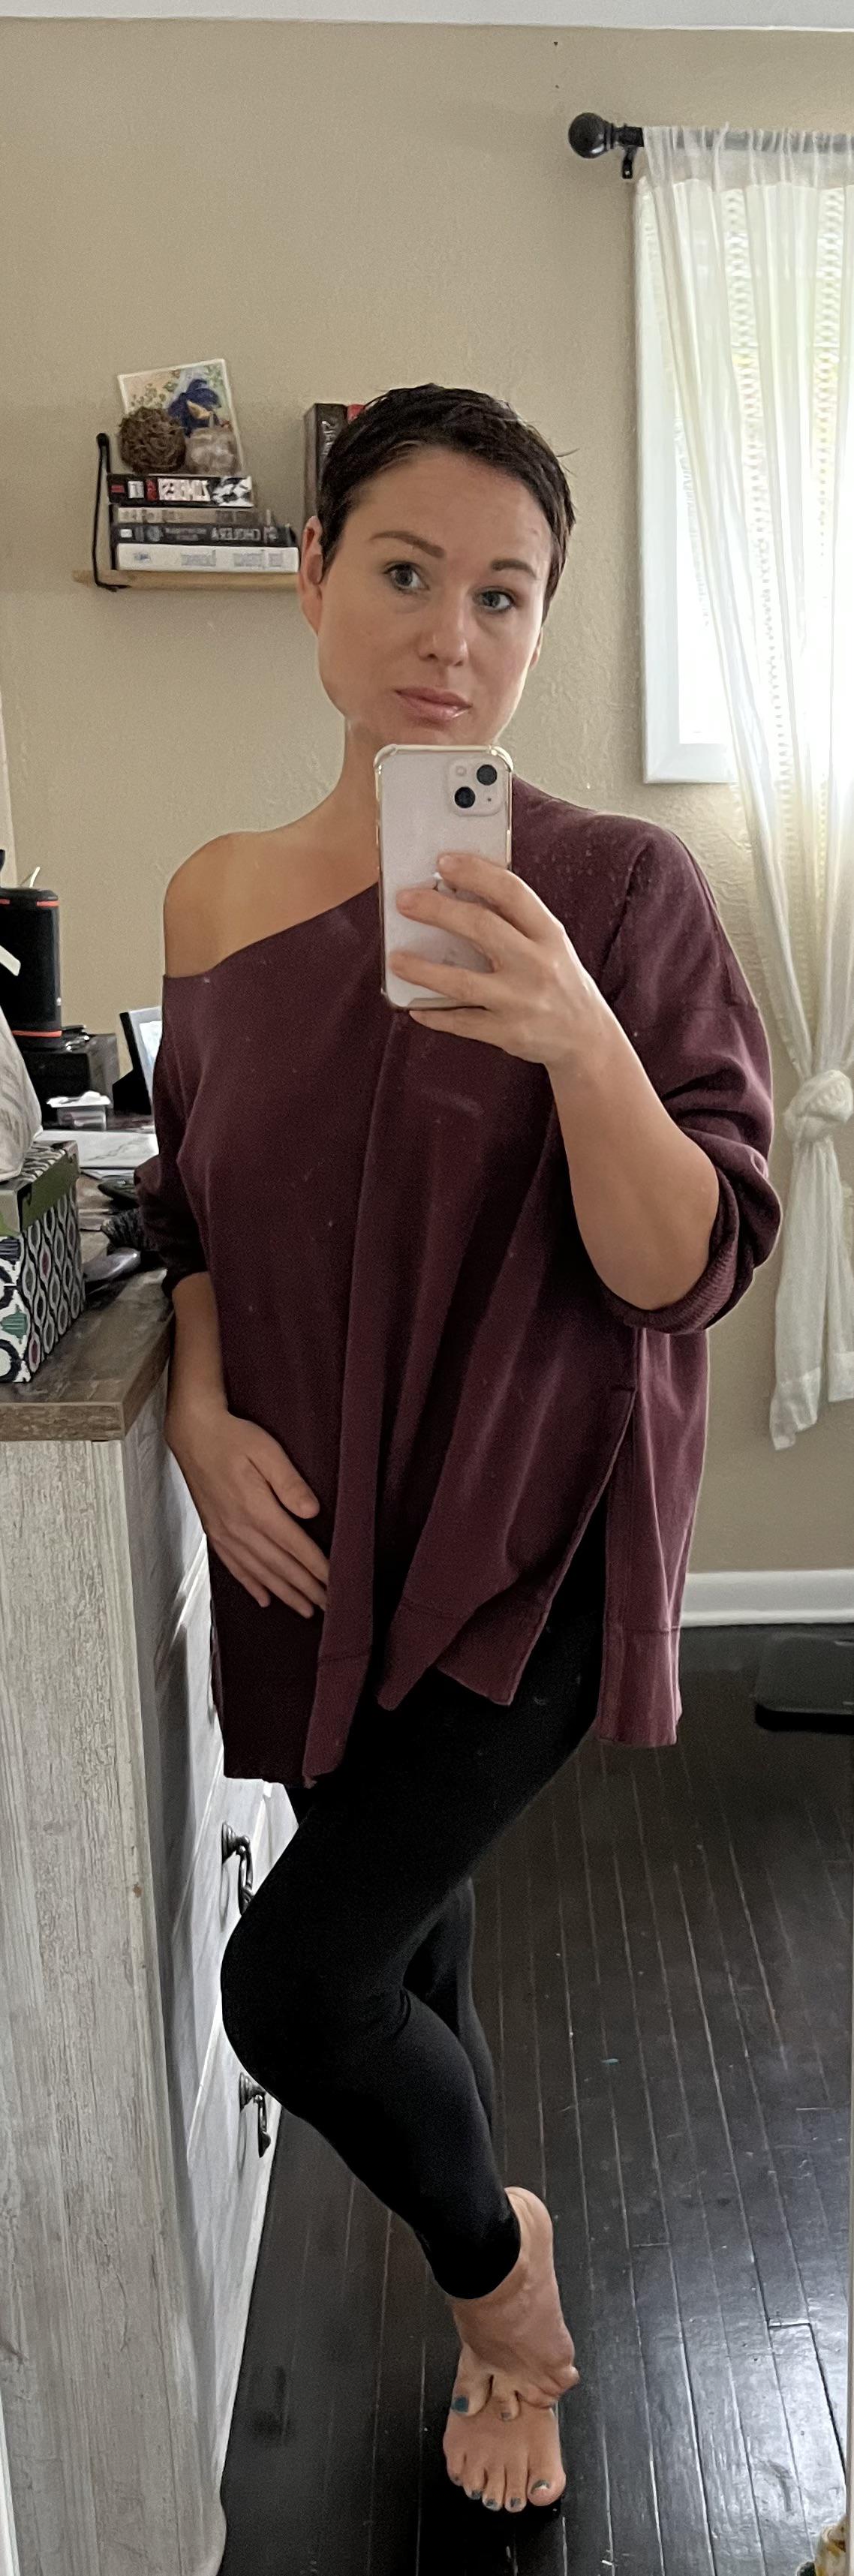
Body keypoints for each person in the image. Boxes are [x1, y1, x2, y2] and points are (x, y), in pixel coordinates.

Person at [135, 382, 782, 2520]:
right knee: (404, 1948)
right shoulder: (217, 899)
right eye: (405, 572)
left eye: (505, 596)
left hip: (534, 1533)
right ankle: (486, 2269)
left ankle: (504, 2286)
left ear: (543, 629)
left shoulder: (620, 887)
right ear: (311, 577)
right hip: (326, 1525)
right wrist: (201, 1405)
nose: (450, 634)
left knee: (296, 1984)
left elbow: (680, 1265)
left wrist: (581, 1029)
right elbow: (191, 1204)